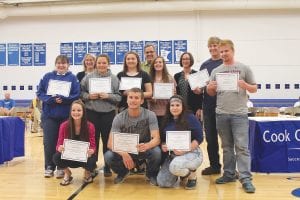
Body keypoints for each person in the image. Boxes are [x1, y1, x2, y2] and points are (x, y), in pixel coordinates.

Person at [207, 39, 257, 193]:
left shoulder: (244, 68)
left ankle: (246, 179)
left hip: (239, 114)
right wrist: (210, 87)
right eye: (221, 52)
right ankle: (229, 174)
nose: (223, 54)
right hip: (221, 114)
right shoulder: (216, 71)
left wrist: (245, 86)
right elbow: (211, 93)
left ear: (232, 51)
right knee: (227, 147)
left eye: (225, 51)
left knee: (242, 147)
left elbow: (254, 88)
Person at [104, 88, 161, 185]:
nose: (133, 100)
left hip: (143, 148)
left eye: (136, 98)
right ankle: (123, 172)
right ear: (127, 100)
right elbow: (110, 143)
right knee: (108, 156)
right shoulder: (119, 117)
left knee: (156, 152)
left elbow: (157, 139)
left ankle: (151, 174)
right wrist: (123, 153)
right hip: (126, 149)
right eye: (130, 97)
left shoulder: (150, 115)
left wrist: (147, 145)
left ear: (142, 101)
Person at [37, 55, 80, 178]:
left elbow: (76, 94)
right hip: (49, 116)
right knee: (49, 142)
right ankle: (49, 166)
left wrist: (64, 99)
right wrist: (51, 99)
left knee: (63, 142)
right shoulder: (47, 77)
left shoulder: (72, 78)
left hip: (65, 116)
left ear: (68, 65)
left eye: (64, 63)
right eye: (59, 63)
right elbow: (40, 93)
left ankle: (61, 167)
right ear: (55, 64)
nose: (61, 65)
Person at [80, 54, 121, 177]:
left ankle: (108, 166)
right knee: (93, 140)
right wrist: (88, 96)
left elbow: (119, 97)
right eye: (99, 63)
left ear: (108, 64)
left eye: (104, 63)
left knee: (107, 140)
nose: (101, 65)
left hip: (108, 114)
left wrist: (108, 96)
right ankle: (91, 166)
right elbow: (81, 92)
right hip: (91, 113)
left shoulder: (114, 79)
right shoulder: (88, 77)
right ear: (95, 64)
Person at [157, 95, 203, 190]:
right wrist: (163, 146)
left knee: (175, 166)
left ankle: (192, 176)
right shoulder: (166, 120)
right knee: (163, 182)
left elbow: (199, 138)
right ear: (169, 107)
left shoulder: (191, 118)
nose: (174, 108)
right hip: (174, 154)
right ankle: (185, 173)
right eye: (172, 105)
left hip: (192, 152)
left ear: (183, 106)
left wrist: (185, 150)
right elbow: (163, 140)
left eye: (177, 105)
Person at [52, 100, 97, 186]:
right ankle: (67, 173)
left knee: (93, 160)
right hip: (69, 157)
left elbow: (93, 145)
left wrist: (91, 151)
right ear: (70, 112)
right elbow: (58, 144)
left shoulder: (90, 126)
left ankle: (87, 173)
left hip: (83, 158)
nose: (76, 112)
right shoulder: (64, 125)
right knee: (56, 157)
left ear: (83, 112)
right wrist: (59, 148)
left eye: (79, 110)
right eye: (73, 110)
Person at [199, 36, 223, 175]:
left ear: (220, 47)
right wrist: (198, 89)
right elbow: (201, 86)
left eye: (215, 45)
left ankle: (230, 168)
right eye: (211, 46)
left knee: (227, 140)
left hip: (224, 106)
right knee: (211, 139)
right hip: (208, 107)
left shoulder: (225, 63)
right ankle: (214, 166)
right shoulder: (204, 65)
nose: (213, 48)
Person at [148, 56, 176, 128]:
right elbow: (147, 94)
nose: (158, 64)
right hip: (153, 112)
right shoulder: (149, 78)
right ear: (153, 65)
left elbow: (175, 95)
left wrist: (172, 95)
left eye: (160, 62)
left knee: (165, 135)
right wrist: (151, 98)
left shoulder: (170, 78)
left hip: (167, 112)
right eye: (156, 62)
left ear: (163, 64)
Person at [174, 52, 202, 118]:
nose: (185, 61)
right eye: (183, 59)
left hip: (194, 107)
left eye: (187, 59)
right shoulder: (177, 76)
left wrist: (200, 108)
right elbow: (176, 92)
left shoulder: (196, 74)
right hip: (180, 107)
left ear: (191, 60)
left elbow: (201, 93)